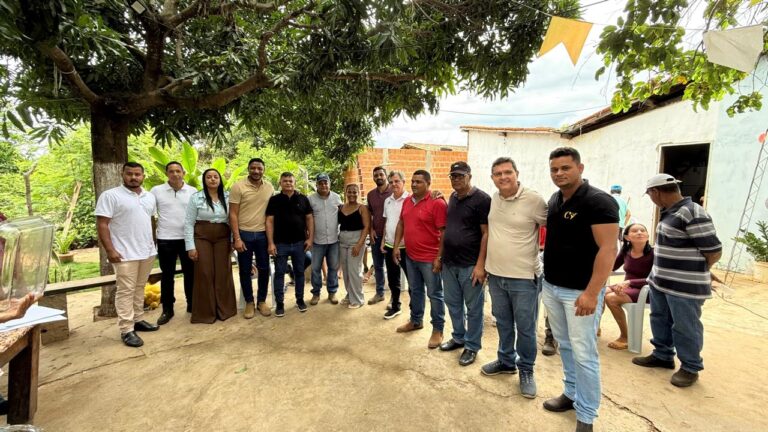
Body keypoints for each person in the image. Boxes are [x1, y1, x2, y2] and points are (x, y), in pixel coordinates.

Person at [541, 147, 618, 432]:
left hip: (579, 293)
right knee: (565, 346)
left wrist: (592, 293)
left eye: (565, 168)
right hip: (552, 287)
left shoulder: (599, 201)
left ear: (580, 168)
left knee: (584, 353)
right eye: (554, 169)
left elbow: (608, 249)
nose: (559, 173)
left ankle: (586, 416)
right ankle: (571, 394)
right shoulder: (555, 199)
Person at [632, 174, 722, 388]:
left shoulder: (692, 212)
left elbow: (714, 250)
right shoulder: (671, 212)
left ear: (655, 192)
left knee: (685, 326)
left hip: (684, 286)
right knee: (660, 318)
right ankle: (662, 355)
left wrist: (701, 270)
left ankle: (690, 367)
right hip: (661, 282)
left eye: (650, 195)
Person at [480, 157, 547, 398]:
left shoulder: (534, 200)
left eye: (507, 172)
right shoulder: (495, 198)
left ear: (517, 173)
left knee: (526, 328)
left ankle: (526, 369)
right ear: (492, 178)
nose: (503, 177)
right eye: (498, 174)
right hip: (496, 275)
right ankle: (506, 360)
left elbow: (556, 228)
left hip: (524, 278)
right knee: (503, 322)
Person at [95, 162, 159, 348]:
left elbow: (150, 221)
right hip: (124, 253)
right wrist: (110, 250)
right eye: (129, 174)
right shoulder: (111, 196)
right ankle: (126, 329)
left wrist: (153, 243)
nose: (133, 177)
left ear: (143, 176)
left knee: (140, 287)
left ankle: (138, 319)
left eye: (137, 174)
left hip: (146, 251)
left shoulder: (149, 197)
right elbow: (102, 224)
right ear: (122, 175)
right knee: (125, 290)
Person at [439, 162, 491, 367]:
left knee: (474, 308)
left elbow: (486, 233)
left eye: (460, 175)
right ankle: (458, 337)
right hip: (450, 263)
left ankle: (472, 346)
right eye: (453, 176)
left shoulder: (482, 199)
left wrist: (481, 265)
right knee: (453, 303)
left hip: (471, 265)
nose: (456, 179)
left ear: (470, 176)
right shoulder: (453, 197)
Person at [393, 170, 447, 350]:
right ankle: (416, 321)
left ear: (428, 184)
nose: (414, 184)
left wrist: (439, 257)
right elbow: (401, 223)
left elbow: (444, 232)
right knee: (415, 290)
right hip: (411, 256)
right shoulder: (407, 201)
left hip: (430, 259)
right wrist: (396, 246)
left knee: (434, 294)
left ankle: (438, 329)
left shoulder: (437, 202)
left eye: (419, 182)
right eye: (413, 181)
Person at [184, 169, 236, 324]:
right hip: (202, 236)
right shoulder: (196, 197)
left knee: (223, 272)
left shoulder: (228, 197)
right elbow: (188, 223)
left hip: (223, 237)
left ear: (220, 180)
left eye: (215, 177)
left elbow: (232, 220)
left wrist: (233, 240)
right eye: (209, 177)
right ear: (204, 180)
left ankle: (225, 310)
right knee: (205, 272)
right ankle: (205, 313)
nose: (212, 179)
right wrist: (190, 247)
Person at [150, 161, 197, 325]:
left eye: (178, 171)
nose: (175, 174)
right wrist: (152, 239)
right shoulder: (156, 191)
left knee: (190, 273)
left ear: (183, 173)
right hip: (165, 239)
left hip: (187, 239)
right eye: (171, 171)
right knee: (167, 275)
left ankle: (192, 305)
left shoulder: (192, 191)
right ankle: (167, 309)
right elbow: (151, 216)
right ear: (166, 174)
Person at [230, 158, 275, 319]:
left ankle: (261, 301)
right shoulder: (238, 186)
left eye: (259, 168)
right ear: (248, 169)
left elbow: (272, 212)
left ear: (264, 170)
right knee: (244, 270)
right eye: (253, 168)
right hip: (244, 234)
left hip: (263, 235)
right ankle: (249, 302)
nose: (256, 171)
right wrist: (237, 238)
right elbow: (233, 214)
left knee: (264, 268)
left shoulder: (269, 187)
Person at [266, 172, 314, 317]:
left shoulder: (303, 199)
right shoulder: (274, 200)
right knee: (279, 273)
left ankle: (300, 300)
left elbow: (309, 218)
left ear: (294, 183)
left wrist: (310, 238)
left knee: (299, 272)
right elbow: (269, 221)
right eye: (285, 181)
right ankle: (280, 303)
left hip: (299, 243)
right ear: (280, 183)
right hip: (280, 244)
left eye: (290, 181)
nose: (288, 183)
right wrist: (271, 243)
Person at [603, 223, 654, 350]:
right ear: (626, 237)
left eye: (642, 230)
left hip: (645, 290)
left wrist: (629, 282)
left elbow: (655, 278)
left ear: (648, 235)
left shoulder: (654, 253)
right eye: (635, 231)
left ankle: (625, 337)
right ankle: (594, 327)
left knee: (611, 298)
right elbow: (612, 266)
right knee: (600, 292)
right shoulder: (626, 250)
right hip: (626, 287)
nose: (639, 233)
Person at [308, 173, 342, 305]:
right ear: (316, 185)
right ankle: (316, 293)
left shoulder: (336, 197)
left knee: (333, 268)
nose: (323, 185)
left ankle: (332, 292)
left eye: (325, 183)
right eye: (320, 183)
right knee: (315, 268)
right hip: (317, 241)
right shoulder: (310, 199)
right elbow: (307, 219)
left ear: (329, 184)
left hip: (334, 240)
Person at [381, 170, 410, 319]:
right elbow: (387, 222)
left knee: (412, 280)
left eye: (397, 181)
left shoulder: (410, 199)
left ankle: (415, 313)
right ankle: (395, 306)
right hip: (390, 245)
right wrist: (383, 241)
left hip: (406, 247)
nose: (394, 184)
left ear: (403, 182)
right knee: (393, 279)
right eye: (391, 182)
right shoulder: (388, 200)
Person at [338, 183, 370, 308]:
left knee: (354, 271)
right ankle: (350, 294)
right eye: (349, 192)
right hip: (343, 241)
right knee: (346, 271)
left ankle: (358, 299)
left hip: (356, 241)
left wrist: (359, 244)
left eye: (354, 192)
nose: (352, 194)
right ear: (346, 193)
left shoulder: (362, 208)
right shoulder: (341, 207)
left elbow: (366, 227)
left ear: (358, 193)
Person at [366, 166, 391, 305]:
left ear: (386, 175)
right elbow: (369, 214)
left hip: (391, 236)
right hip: (376, 236)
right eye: (376, 175)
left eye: (381, 174)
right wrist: (371, 229)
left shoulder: (393, 191)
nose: (379, 177)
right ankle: (380, 293)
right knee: (378, 266)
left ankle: (394, 297)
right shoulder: (371, 195)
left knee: (393, 267)